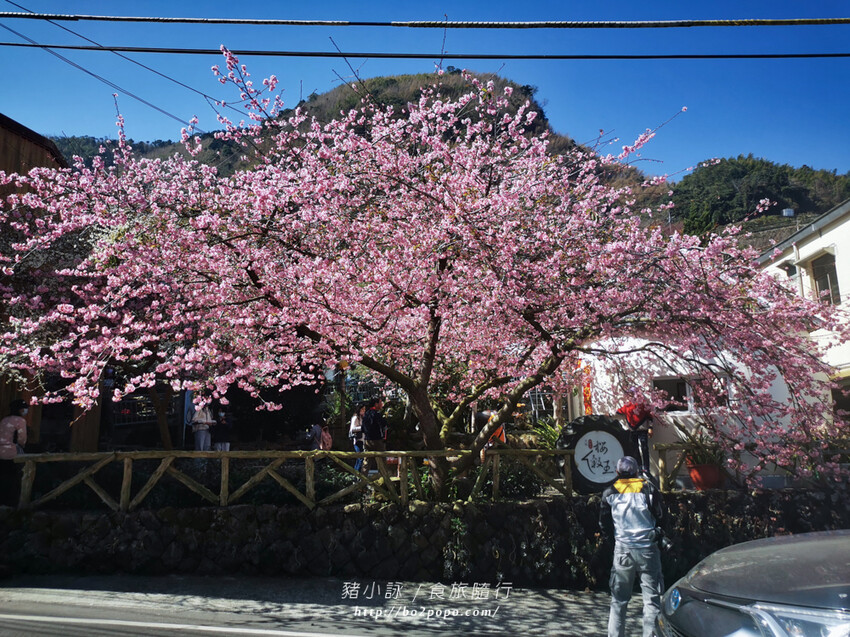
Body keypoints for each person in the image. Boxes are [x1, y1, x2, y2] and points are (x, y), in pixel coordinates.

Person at [599, 456, 665, 637]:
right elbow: (662, 517)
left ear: (617, 472)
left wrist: (614, 544)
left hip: (623, 551)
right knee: (651, 602)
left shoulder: (609, 492)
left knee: (618, 601)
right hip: (648, 549)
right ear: (637, 471)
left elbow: (604, 524)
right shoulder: (649, 489)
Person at [616, 390, 654, 474]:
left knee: (644, 449)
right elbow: (618, 412)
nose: (631, 396)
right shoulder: (627, 406)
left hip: (642, 430)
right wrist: (609, 415)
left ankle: (646, 469)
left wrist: (650, 428)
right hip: (632, 431)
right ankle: (639, 468)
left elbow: (650, 416)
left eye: (633, 394)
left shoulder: (643, 405)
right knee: (635, 450)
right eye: (629, 395)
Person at [0, 399, 29, 506]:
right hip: (13, 453)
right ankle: (12, 504)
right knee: (14, 480)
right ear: (21, 410)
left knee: (3, 478)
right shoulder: (20, 421)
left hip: (1, 452)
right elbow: (22, 439)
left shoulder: (4, 420)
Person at [361, 397, 388, 473]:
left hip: (367, 440)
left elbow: (362, 428)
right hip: (377, 440)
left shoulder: (366, 414)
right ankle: (384, 477)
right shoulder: (377, 414)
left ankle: (362, 478)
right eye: (380, 402)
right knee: (382, 460)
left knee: (366, 461)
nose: (381, 404)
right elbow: (384, 425)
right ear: (376, 404)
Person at [349, 403, 366, 472]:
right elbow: (352, 429)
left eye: (364, 409)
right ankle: (356, 473)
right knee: (360, 457)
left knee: (360, 458)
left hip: (362, 440)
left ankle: (356, 473)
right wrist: (361, 428)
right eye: (362, 409)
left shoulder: (362, 418)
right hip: (357, 440)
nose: (364, 411)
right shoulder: (355, 418)